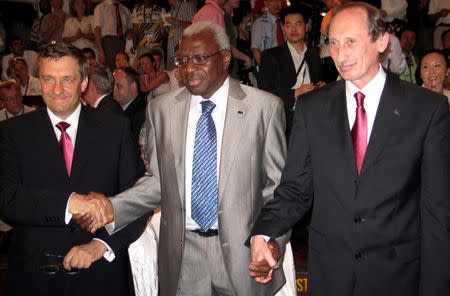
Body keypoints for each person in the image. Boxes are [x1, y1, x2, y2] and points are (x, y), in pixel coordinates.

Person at [73, 21, 289, 296]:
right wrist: (111, 208)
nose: (188, 69)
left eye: (199, 58)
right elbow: (159, 183)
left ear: (225, 58)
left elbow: (278, 189)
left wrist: (272, 239)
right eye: (183, 60)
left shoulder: (264, 108)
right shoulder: (160, 110)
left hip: (245, 255)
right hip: (183, 257)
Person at [248, 2, 449, 296]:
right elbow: (295, 189)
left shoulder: (426, 109)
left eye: (351, 42)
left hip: (398, 275)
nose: (340, 54)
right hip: (331, 274)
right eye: (334, 43)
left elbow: (437, 212)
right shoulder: (312, 108)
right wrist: (262, 232)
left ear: (381, 41)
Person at [0, 42, 148, 296]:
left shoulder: (115, 129)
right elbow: (8, 200)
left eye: (67, 79)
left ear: (83, 82)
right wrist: (70, 203)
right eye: (48, 79)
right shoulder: (12, 132)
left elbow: (137, 202)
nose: (57, 90)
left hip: (102, 277)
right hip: (34, 278)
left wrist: (100, 245)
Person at [258, 6, 324, 137]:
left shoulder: (314, 56)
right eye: (288, 25)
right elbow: (264, 91)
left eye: (298, 24)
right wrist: (295, 92)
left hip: (313, 119)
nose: (293, 30)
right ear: (283, 28)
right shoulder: (270, 56)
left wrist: (321, 88)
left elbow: (318, 84)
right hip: (285, 123)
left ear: (307, 26)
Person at [93, 0, 133, 70]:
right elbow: (97, 29)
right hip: (108, 43)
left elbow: (129, 28)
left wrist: (129, 34)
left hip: (122, 42)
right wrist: (100, 50)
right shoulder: (100, 7)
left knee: (123, 68)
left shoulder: (125, 10)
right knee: (110, 69)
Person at [113, 66, 147, 139]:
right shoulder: (112, 106)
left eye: (118, 86)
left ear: (133, 86)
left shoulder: (142, 113)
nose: (113, 90)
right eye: (113, 86)